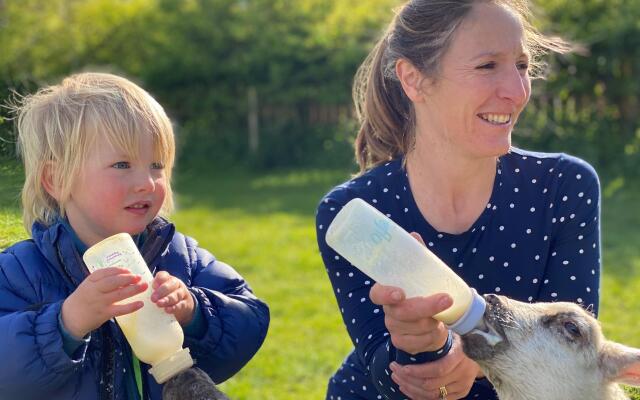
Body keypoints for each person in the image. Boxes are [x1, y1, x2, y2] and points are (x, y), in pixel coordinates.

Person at [315, 1, 600, 399]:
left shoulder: (563, 187)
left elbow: (573, 341)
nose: (517, 92)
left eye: (521, 65)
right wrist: (417, 346)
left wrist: (473, 356)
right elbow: (383, 373)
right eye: (487, 66)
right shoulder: (355, 213)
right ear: (413, 80)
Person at [0, 72, 270, 400]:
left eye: (156, 165)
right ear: (57, 179)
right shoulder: (20, 272)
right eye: (122, 164)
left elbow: (250, 320)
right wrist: (66, 322)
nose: (146, 182)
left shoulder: (179, 256)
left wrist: (195, 311)